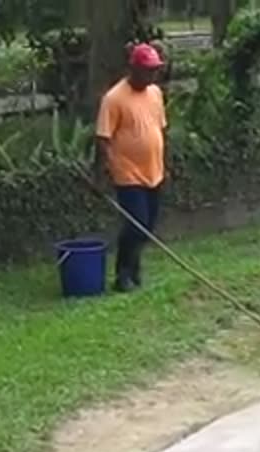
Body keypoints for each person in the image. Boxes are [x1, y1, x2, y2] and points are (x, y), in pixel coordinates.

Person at [95, 42, 167, 293]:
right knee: (136, 223)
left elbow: (159, 128)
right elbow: (103, 138)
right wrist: (105, 172)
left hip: (154, 171)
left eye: (155, 70)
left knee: (147, 226)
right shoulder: (114, 98)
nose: (152, 74)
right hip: (128, 174)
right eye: (148, 70)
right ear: (133, 68)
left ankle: (134, 267)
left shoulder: (155, 93)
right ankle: (123, 274)